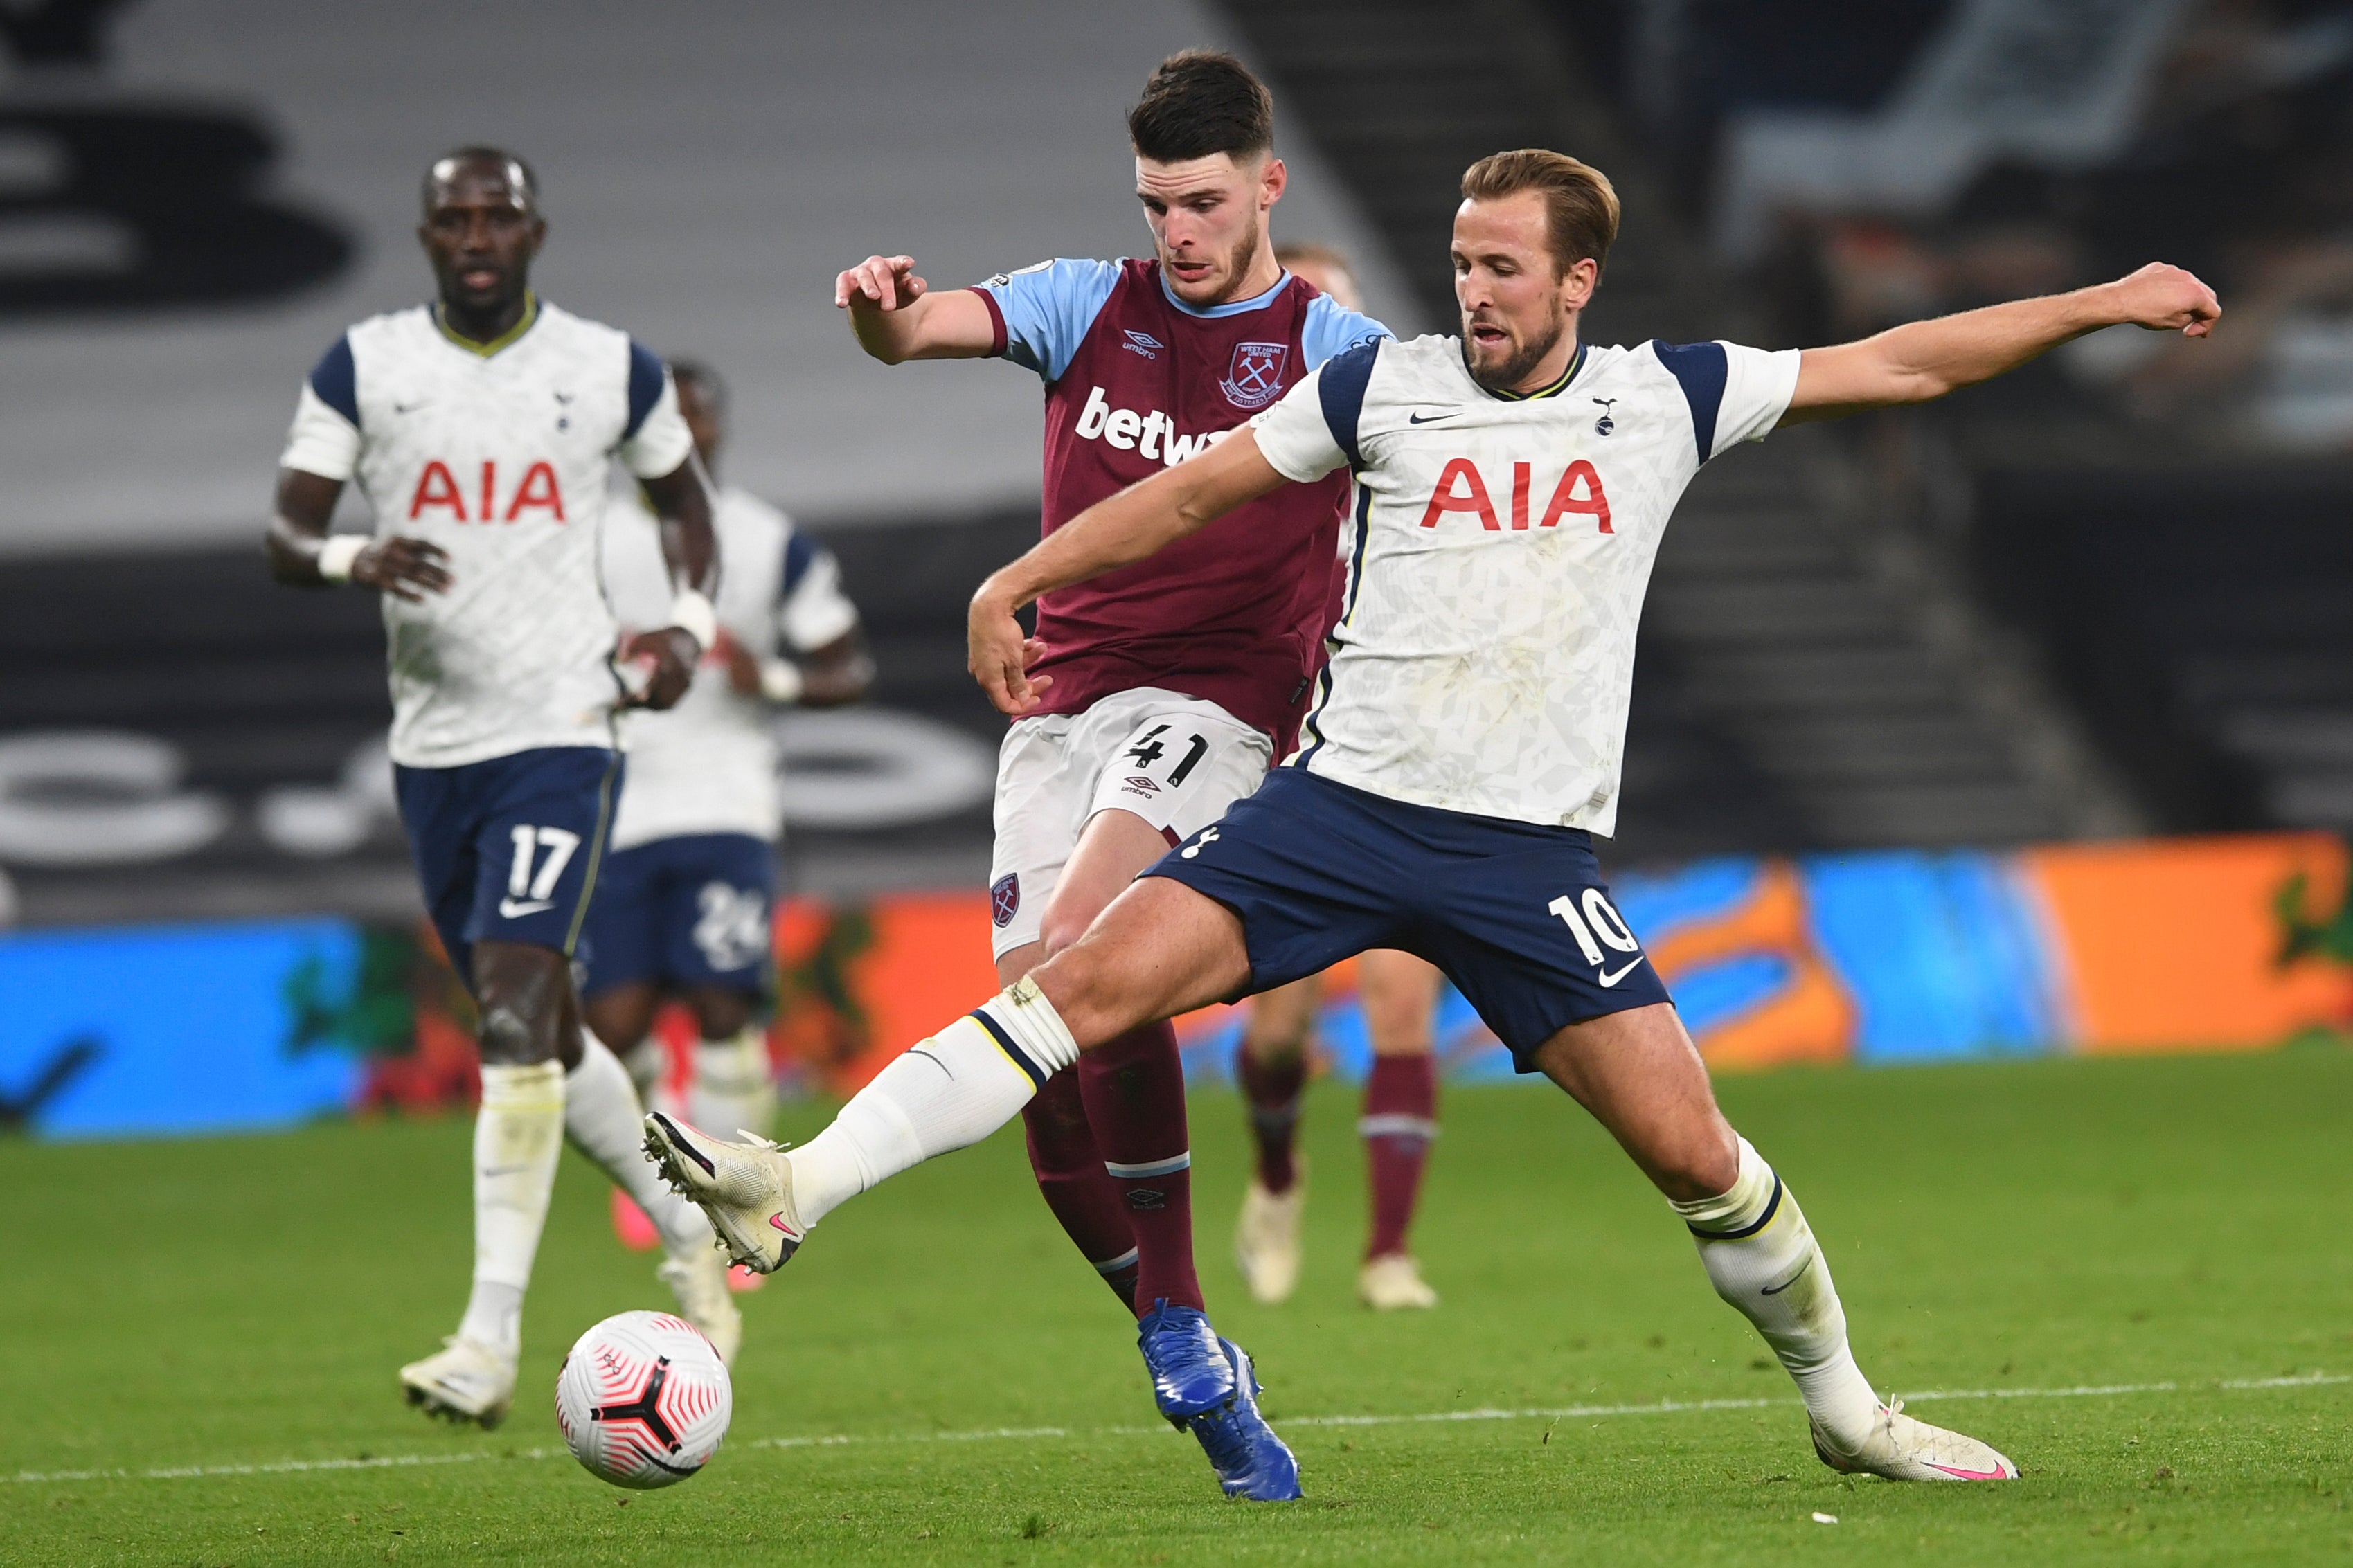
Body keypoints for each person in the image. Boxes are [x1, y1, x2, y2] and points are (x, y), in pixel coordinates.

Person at [651, 145, 2220, 1485]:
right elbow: (1194, 489)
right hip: (1337, 813)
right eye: (1463, 263)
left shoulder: (1665, 397)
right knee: (1073, 989)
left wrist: (2098, 303)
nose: (1473, 292)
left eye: (1503, 269)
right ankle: (797, 1181)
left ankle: (1846, 1408)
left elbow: (1906, 361)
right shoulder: (1381, 385)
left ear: (1580, 280)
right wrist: (1019, 573)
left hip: (1521, 855)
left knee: (1698, 1157)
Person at [818, 52, 1386, 1500]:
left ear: (1266, 185)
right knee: (1042, 1052)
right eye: (1154, 206)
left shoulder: (1337, 343)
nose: (1177, 235)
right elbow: (933, 327)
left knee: (1078, 951)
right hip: (1060, 706)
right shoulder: (1089, 299)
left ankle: (1182, 1308)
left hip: (1220, 700)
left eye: (1201, 203)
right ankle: (1182, 1339)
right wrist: (886, 318)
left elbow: (1434, 477)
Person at [267, 147, 740, 1428]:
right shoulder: (365, 366)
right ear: (424, 235)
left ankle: (485, 1340)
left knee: (517, 1014)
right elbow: (285, 530)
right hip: (433, 749)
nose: (477, 234)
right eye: (454, 216)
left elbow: (685, 503)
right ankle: (695, 1219)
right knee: (544, 1026)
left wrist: (687, 627)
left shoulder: (606, 366)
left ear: (535, 233)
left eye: (498, 215)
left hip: (562, 728)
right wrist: (356, 552)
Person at [582, 357, 872, 1270]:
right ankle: (655, 1174)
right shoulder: (580, 544)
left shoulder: (764, 540)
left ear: (717, 430)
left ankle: (734, 1199)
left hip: (726, 800)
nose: (682, 433)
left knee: (720, 1001)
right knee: (612, 1024)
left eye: (695, 417)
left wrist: (775, 676)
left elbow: (846, 663)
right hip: (619, 804)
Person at [1234, 243, 1447, 1313]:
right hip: (1281, 751)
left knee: (1399, 999)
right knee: (1275, 1034)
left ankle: (1387, 1254)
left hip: (1398, 752)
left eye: (1348, 320)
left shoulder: (1412, 455)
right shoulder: (1247, 470)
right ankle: (1276, 1177)